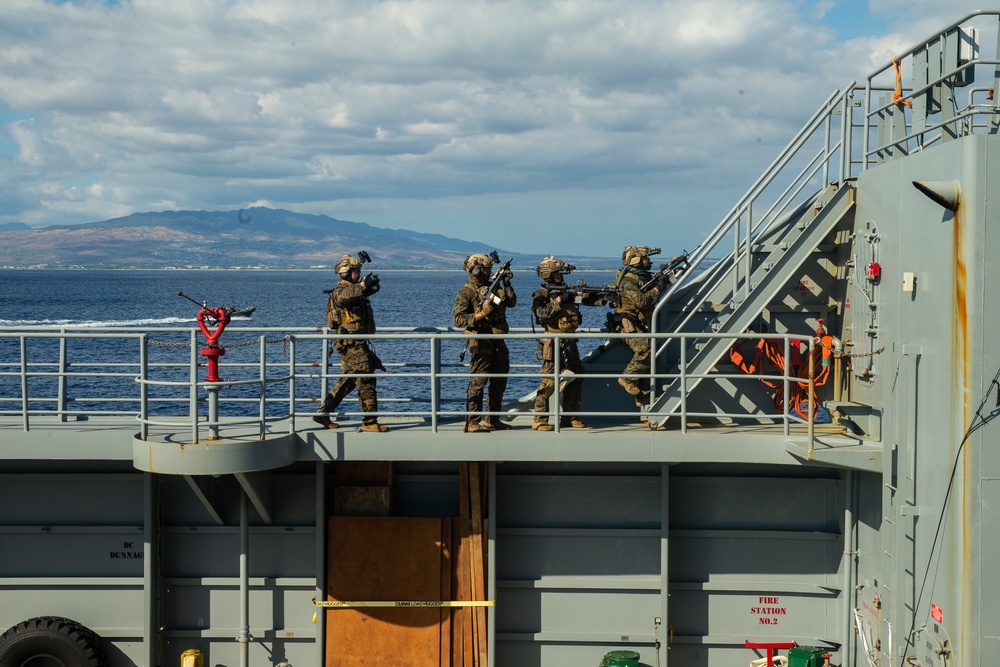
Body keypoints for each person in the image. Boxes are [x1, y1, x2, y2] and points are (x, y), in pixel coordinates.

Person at [313, 253, 388, 432]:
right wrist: (362, 285)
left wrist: (369, 288)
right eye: (357, 271)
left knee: (348, 380)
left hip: (355, 342)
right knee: (366, 380)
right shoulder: (340, 290)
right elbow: (343, 297)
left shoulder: (352, 289)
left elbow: (356, 297)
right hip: (350, 343)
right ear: (347, 272)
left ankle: (323, 413)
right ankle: (370, 422)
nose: (359, 273)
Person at [530, 256, 606, 431]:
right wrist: (558, 301)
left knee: (576, 378)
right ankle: (540, 418)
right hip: (552, 343)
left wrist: (603, 296)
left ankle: (570, 417)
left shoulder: (566, 291)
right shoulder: (541, 294)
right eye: (557, 273)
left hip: (570, 342)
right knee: (549, 382)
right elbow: (541, 314)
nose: (560, 277)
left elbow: (586, 298)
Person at [453, 252, 516, 432]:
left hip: (497, 341)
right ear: (475, 270)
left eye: (490, 269)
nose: (489, 272)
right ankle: (473, 422)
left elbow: (511, 302)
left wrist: (506, 283)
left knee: (499, 380)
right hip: (481, 342)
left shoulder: (493, 288)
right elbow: (458, 319)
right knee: (478, 384)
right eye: (486, 269)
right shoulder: (467, 291)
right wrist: (480, 314)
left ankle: (492, 419)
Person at [613, 246, 671, 405]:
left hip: (638, 322)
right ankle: (627, 378)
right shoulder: (628, 280)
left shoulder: (642, 277)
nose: (649, 261)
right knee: (645, 350)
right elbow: (641, 302)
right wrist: (657, 288)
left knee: (652, 360)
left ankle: (644, 396)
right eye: (646, 258)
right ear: (637, 260)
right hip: (627, 322)